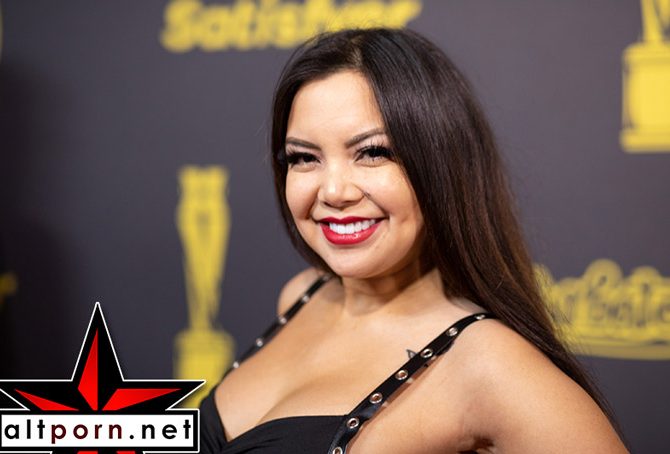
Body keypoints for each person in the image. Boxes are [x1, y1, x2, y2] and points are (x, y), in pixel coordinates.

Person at [199, 28, 628, 453]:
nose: (332, 191)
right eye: (304, 157)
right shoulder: (300, 296)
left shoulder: (488, 363)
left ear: (441, 166)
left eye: (372, 152)